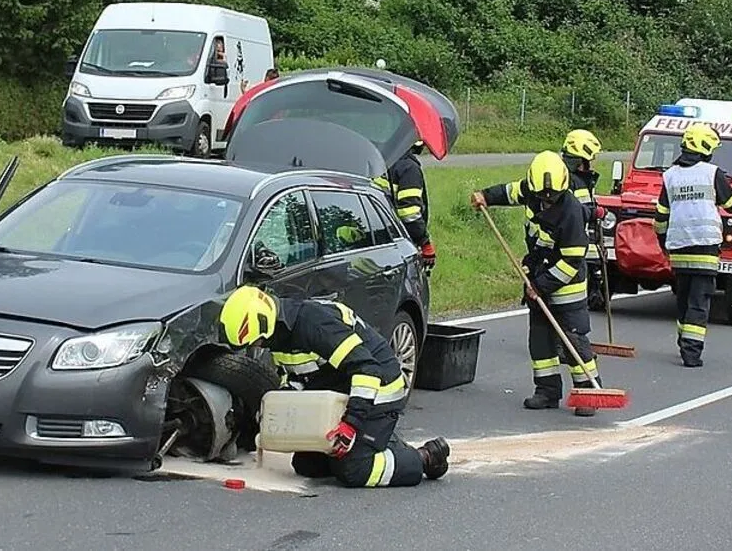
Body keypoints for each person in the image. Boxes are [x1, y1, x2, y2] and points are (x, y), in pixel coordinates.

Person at [218, 285, 451, 487]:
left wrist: (351, 425)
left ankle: (423, 458)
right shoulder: (280, 335)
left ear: (264, 325)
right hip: (344, 389)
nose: (257, 346)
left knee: (354, 470)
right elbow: (299, 379)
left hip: (380, 388)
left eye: (255, 341)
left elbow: (367, 369)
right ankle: (375, 441)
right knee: (307, 465)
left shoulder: (314, 325)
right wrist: (272, 412)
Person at [470, 151, 604, 417]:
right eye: (542, 196)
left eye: (551, 196)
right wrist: (485, 196)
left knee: (572, 340)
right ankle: (547, 391)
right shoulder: (531, 190)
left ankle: (588, 393)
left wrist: (541, 285)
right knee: (540, 341)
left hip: (566, 287)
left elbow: (572, 260)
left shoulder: (572, 212)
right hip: (538, 274)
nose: (546, 200)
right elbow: (509, 192)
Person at [652, 123, 732, 367]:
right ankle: (691, 352)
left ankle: (683, 341)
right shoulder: (711, 173)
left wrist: (663, 243)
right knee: (699, 302)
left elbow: (661, 215)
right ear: (706, 148)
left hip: (678, 249)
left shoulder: (670, 175)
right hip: (705, 249)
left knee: (684, 300)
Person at [560, 129, 607, 305]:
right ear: (581, 160)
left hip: (585, 254)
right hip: (574, 253)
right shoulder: (570, 181)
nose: (592, 165)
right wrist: (596, 213)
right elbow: (574, 213)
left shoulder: (581, 180)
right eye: (590, 160)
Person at [373, 140, 436, 269]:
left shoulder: (382, 162)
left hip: (375, 233)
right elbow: (409, 212)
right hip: (397, 241)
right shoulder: (409, 168)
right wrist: (424, 242)